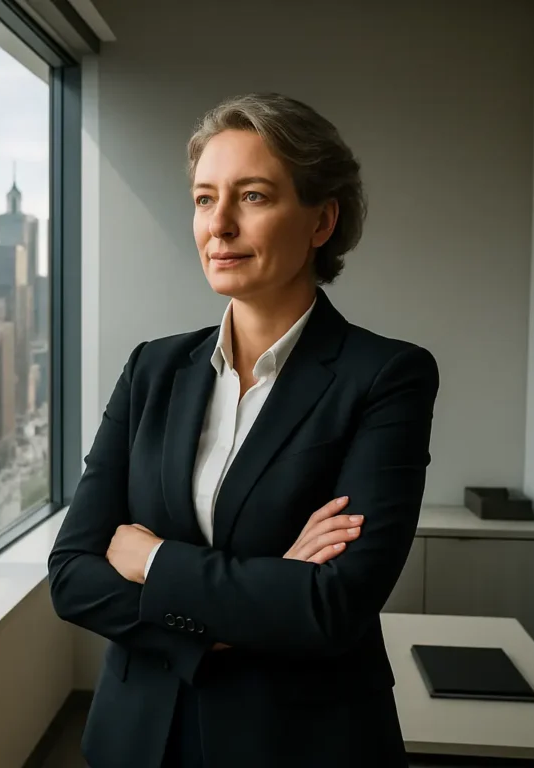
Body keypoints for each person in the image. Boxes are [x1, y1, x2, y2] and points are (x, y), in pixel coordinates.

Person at [48, 92, 440, 768]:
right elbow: (73, 575)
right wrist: (245, 605)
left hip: (300, 742)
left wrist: (155, 563)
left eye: (253, 196)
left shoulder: (387, 377)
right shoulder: (153, 367)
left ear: (322, 221)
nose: (218, 226)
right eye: (205, 199)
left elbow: (330, 606)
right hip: (139, 738)